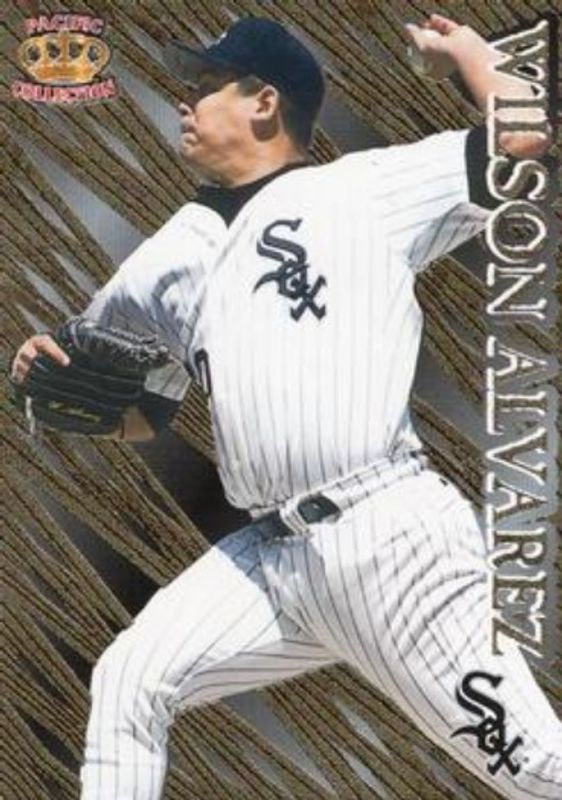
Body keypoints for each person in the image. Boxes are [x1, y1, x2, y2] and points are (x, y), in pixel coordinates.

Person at [10, 13, 560, 800]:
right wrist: (49, 378)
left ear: (264, 102)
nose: (184, 102)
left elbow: (522, 138)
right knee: (131, 680)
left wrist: (473, 55)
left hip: (389, 544)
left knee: (539, 773)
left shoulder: (362, 191)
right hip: (270, 562)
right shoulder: (167, 258)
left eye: (205, 86)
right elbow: (143, 410)